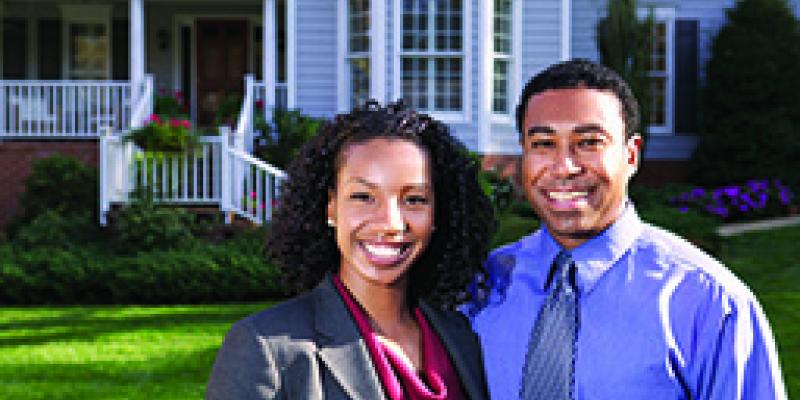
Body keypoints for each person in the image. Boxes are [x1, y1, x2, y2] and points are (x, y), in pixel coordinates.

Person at [465, 59, 787, 399]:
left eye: (588, 142)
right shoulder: (480, 289)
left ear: (631, 155)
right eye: (543, 143)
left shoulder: (709, 303)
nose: (563, 168)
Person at [206, 101, 494, 400]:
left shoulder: (462, 339)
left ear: (437, 213)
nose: (390, 223)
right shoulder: (267, 348)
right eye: (363, 196)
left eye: (414, 200)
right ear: (331, 207)